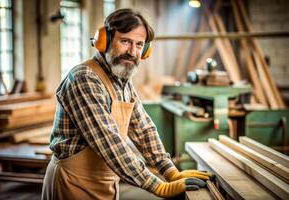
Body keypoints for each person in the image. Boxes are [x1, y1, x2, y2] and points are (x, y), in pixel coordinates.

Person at [41, 8, 212, 200]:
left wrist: (169, 170)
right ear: (104, 41)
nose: (132, 52)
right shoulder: (84, 78)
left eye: (139, 45)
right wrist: (159, 186)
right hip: (72, 184)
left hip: (104, 182)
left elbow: (143, 128)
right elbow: (109, 142)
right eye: (125, 41)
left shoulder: (122, 80)